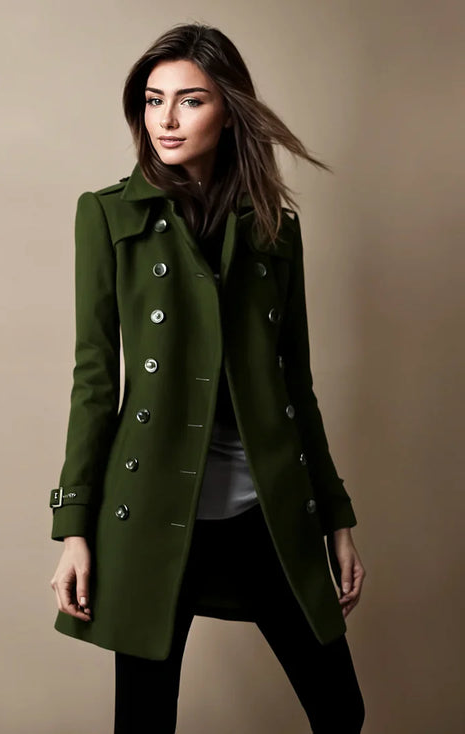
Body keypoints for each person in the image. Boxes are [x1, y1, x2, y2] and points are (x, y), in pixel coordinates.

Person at [49, 22, 366, 733]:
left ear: (228, 111)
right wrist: (74, 528)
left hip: (265, 509)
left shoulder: (274, 229)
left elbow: (296, 387)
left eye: (189, 100)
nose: (165, 119)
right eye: (153, 100)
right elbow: (94, 379)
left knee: (340, 711)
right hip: (151, 506)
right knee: (145, 721)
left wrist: (335, 516)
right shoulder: (107, 215)